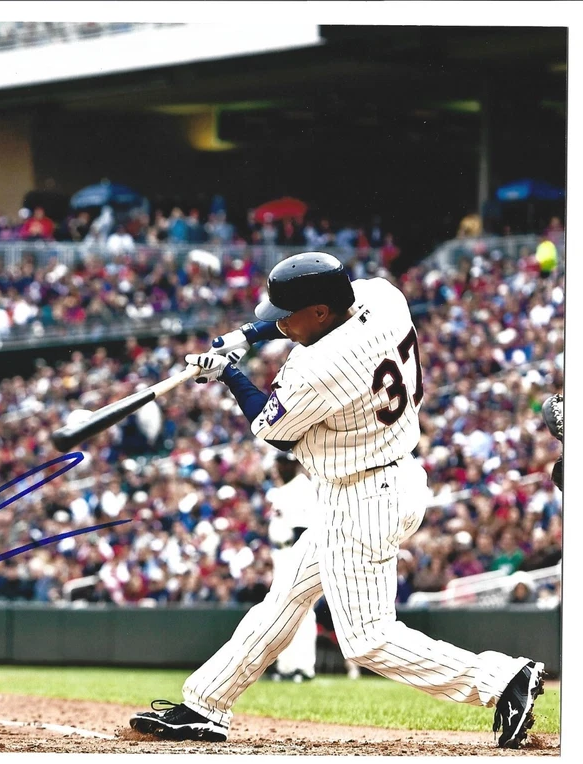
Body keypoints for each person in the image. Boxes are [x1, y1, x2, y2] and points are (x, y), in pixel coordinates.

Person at [129, 252, 545, 749]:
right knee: (284, 600)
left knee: (367, 638)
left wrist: (228, 375)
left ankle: (501, 681)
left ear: (321, 312)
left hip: (364, 497)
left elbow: (273, 430)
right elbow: (303, 321)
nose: (280, 322)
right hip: (385, 475)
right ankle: (205, 705)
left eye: (288, 314)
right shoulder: (380, 295)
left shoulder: (320, 367)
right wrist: (248, 335)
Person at [264, 453, 318, 683]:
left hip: (294, 552)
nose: (280, 466)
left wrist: (296, 563)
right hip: (281, 553)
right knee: (281, 610)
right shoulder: (282, 490)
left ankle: (304, 668)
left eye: (285, 462)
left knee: (302, 611)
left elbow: (301, 530)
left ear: (295, 464)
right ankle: (286, 667)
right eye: (279, 462)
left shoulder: (301, 488)